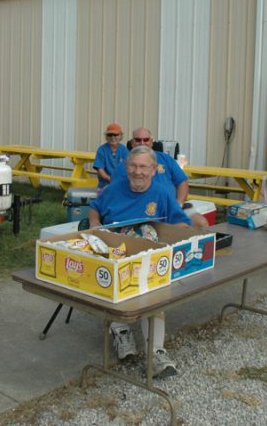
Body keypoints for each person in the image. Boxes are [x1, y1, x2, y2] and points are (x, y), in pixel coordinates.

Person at [88, 146, 191, 378]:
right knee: (111, 279)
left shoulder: (163, 193)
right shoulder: (113, 189)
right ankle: (120, 331)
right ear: (126, 168)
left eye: (143, 167)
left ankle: (155, 351)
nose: (137, 172)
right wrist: (95, 224)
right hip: (114, 259)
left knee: (154, 294)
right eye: (133, 166)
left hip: (148, 264)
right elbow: (94, 209)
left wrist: (174, 232)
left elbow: (181, 225)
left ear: (154, 170)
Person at [113, 127, 208, 228]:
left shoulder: (166, 159)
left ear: (151, 142)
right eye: (138, 140)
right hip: (144, 213)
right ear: (132, 143)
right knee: (176, 229)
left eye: (146, 140)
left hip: (172, 208)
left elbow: (182, 183)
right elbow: (117, 194)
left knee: (201, 223)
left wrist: (178, 204)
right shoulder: (123, 166)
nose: (142, 143)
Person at [93, 122, 129, 189]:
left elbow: (128, 168)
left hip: (121, 183)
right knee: (103, 196)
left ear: (121, 136)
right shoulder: (101, 150)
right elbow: (100, 169)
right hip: (104, 184)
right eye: (110, 135)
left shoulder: (124, 150)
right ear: (106, 136)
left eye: (115, 135)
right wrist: (110, 179)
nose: (113, 137)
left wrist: (120, 181)